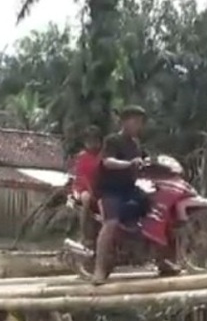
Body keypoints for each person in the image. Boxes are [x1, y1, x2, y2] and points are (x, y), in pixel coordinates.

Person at [92, 105, 179, 284]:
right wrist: (128, 164)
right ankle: (99, 270)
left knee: (158, 213)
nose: (139, 125)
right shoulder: (113, 140)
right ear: (124, 121)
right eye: (135, 121)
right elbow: (108, 162)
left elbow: (144, 162)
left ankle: (162, 261)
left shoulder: (136, 144)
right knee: (111, 223)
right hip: (111, 190)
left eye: (141, 122)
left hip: (130, 189)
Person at [71, 126, 102, 246]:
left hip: (98, 187)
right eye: (90, 141)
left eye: (96, 141)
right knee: (86, 199)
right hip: (82, 187)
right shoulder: (82, 157)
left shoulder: (102, 157)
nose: (93, 144)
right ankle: (83, 234)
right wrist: (91, 190)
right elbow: (82, 177)